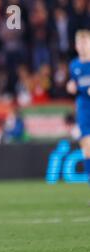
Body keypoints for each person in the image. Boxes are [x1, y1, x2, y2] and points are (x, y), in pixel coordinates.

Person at [67, 29, 90, 185]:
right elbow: (74, 83)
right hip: (84, 107)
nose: (82, 46)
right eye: (79, 43)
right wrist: (71, 86)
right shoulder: (74, 65)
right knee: (87, 146)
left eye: (85, 42)